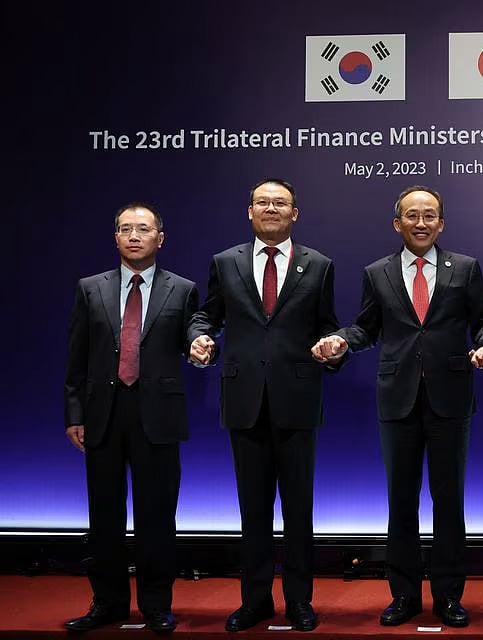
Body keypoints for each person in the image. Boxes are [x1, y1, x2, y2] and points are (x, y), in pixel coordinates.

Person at [313, 186, 483, 628]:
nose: (421, 222)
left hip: (451, 399)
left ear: (442, 223)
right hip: (396, 399)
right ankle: (403, 596)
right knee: (401, 503)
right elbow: (366, 328)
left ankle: (449, 597)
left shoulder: (466, 268)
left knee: (449, 502)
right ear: (397, 223)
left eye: (430, 215)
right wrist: (341, 341)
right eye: (412, 215)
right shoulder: (377, 272)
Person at [188, 178, 343, 632]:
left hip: (297, 399)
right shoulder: (225, 262)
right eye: (263, 202)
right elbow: (207, 316)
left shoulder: (319, 264)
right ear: (249, 211)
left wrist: (332, 348)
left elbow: (327, 326)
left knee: (299, 511)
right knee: (251, 510)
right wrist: (199, 337)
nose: (271, 208)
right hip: (244, 401)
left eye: (281, 203)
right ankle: (254, 600)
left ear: (295, 213)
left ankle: (299, 601)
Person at [64, 203, 198, 633]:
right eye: (126, 229)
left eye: (143, 229)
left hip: (157, 413)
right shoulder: (90, 288)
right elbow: (77, 357)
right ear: (116, 237)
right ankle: (108, 603)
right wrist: (74, 413)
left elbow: (192, 336)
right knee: (104, 514)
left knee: (157, 515)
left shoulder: (183, 289)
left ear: (161, 238)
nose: (134, 235)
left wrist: (201, 348)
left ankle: (157, 604)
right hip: (103, 412)